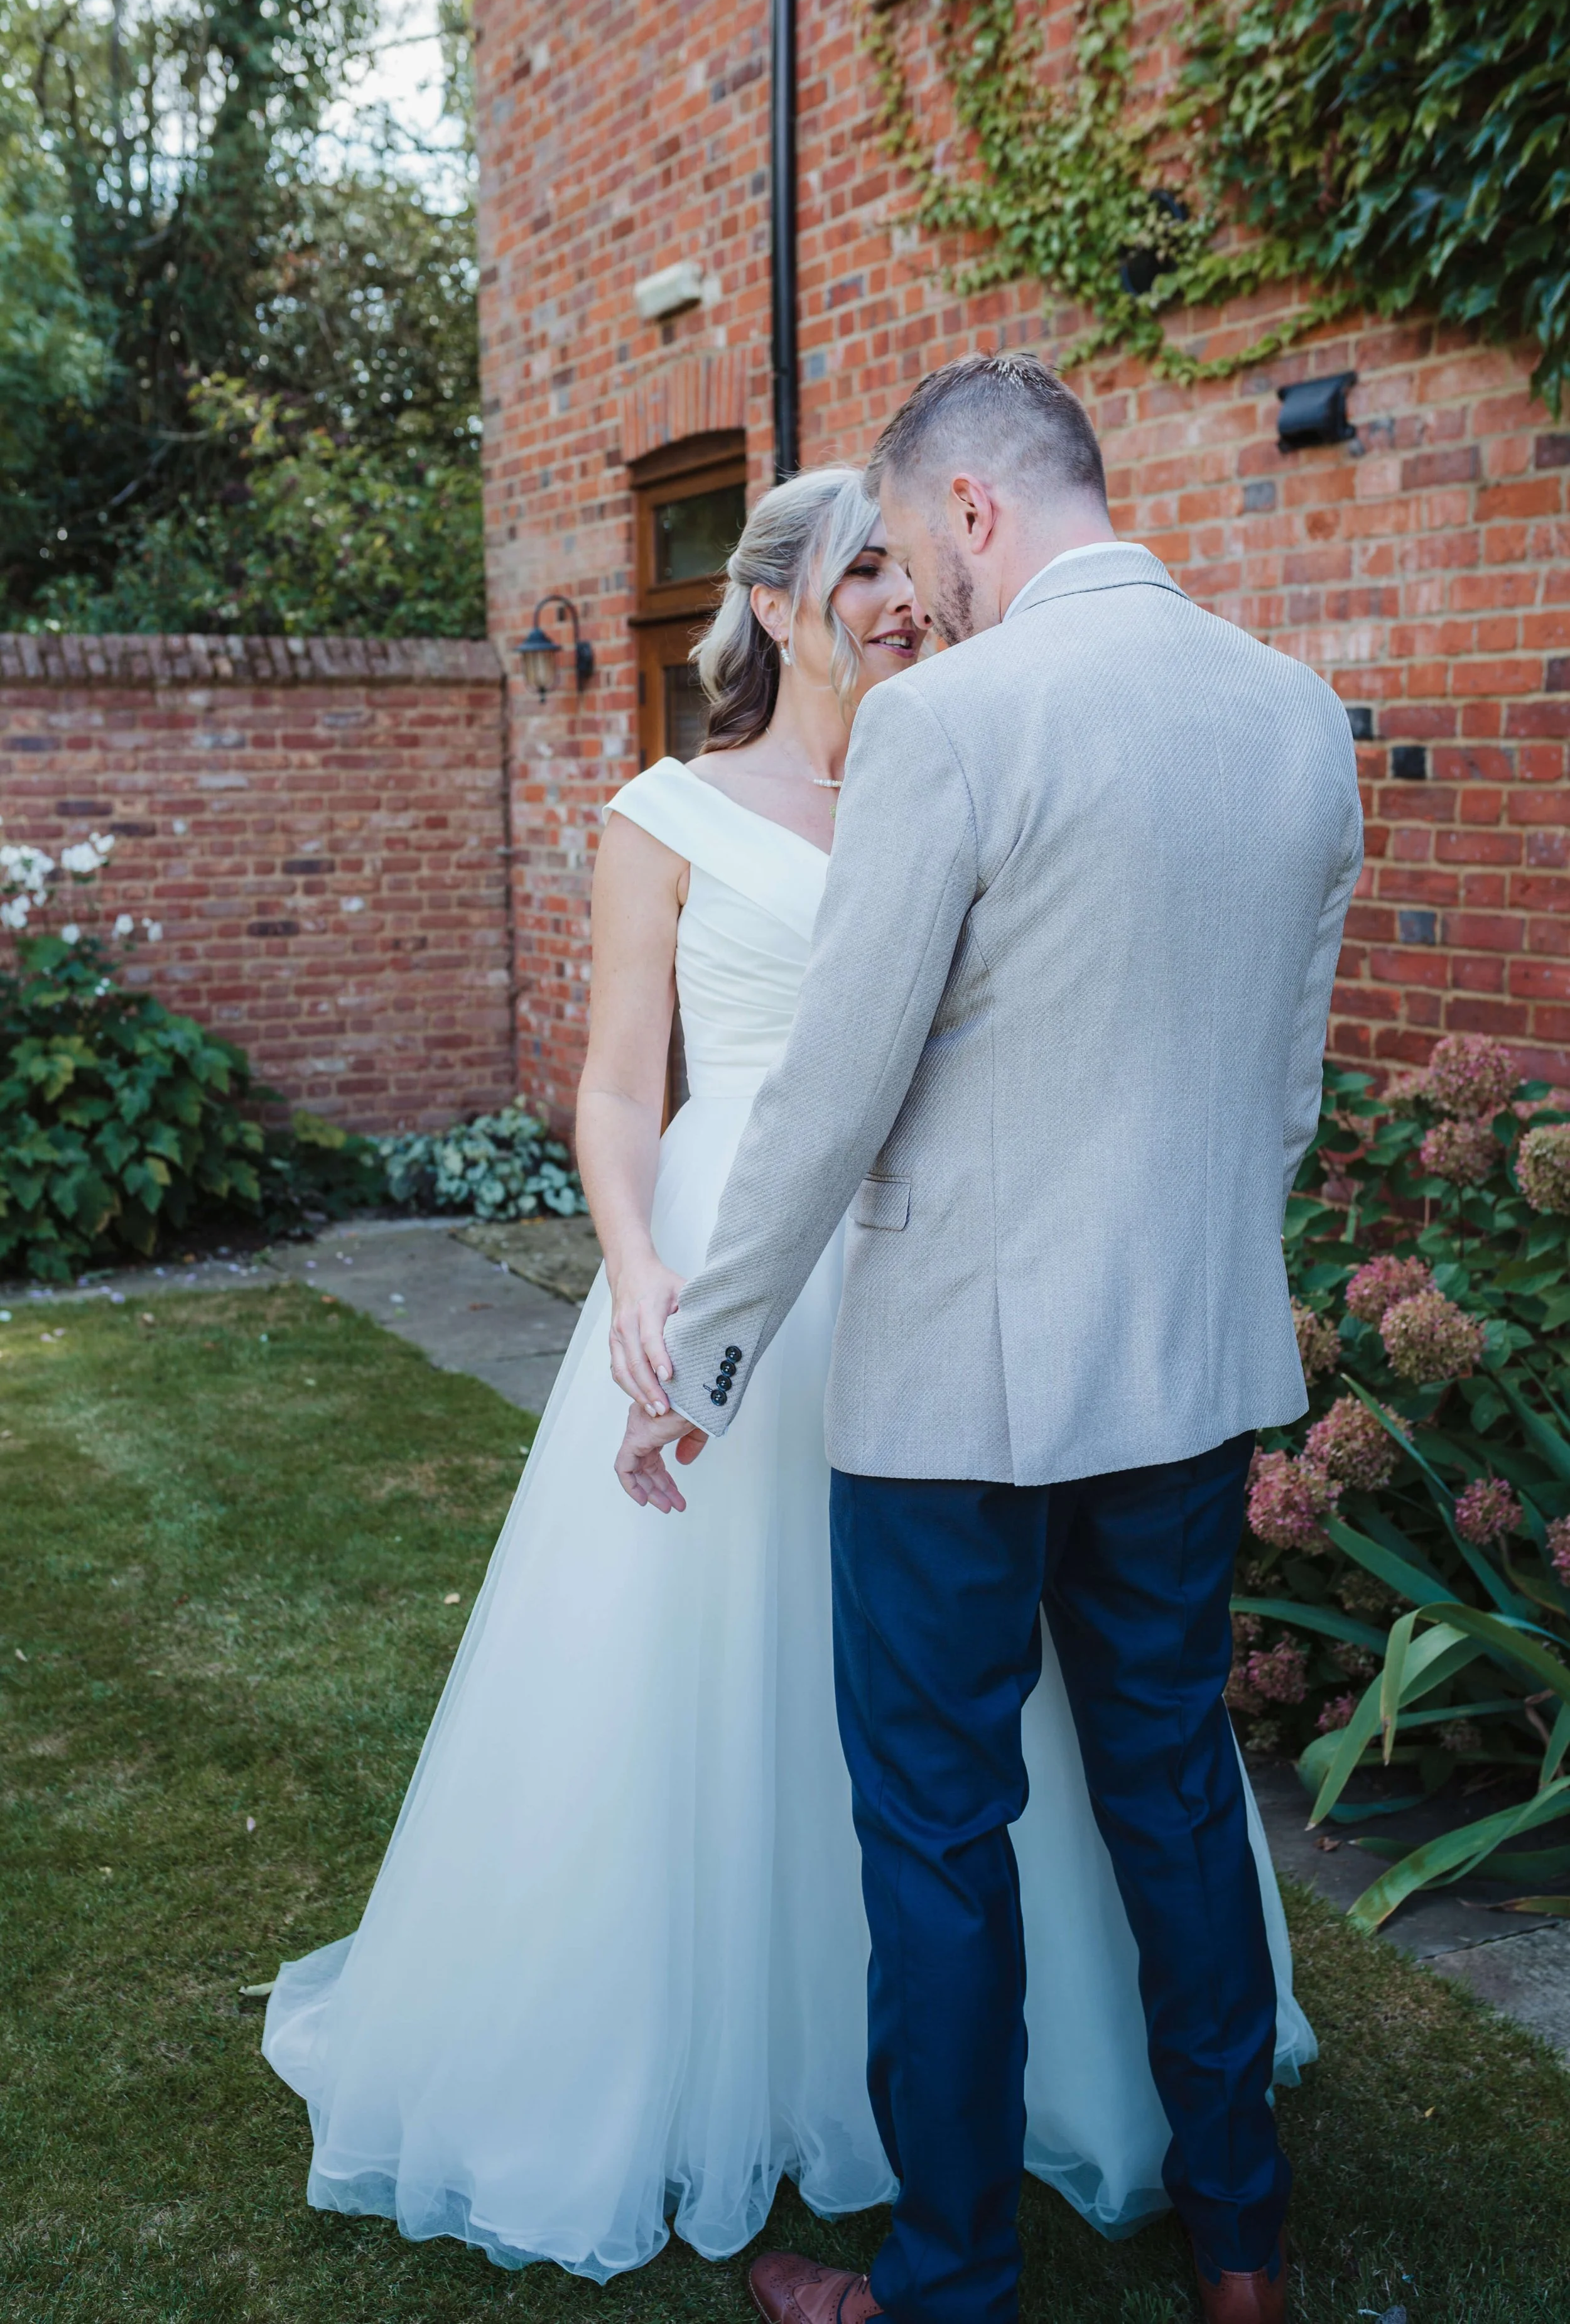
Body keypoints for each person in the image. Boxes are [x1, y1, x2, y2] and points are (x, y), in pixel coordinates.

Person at [260, 461, 1314, 2292]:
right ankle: (816, 2090)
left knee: (986, 1772)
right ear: (765, 599)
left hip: (957, 1306)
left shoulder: (975, 749)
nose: (897, 599)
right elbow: (617, 1083)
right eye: (860, 573)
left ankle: (981, 2188)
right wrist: (645, 1265)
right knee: (771, 1720)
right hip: (756, 1266)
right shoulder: (664, 811)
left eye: (906, 566)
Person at [615, 358, 1363, 2324]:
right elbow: (1278, 1092)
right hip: (1191, 1370)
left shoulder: (951, 718)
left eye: (916, 555)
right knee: (1176, 1793)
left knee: (941, 1832)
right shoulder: (1295, 715)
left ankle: (944, 2281)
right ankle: (1241, 2250)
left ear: (965, 508)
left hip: (955, 1391)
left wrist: (702, 1359)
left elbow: (832, 1094)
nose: (913, 607)